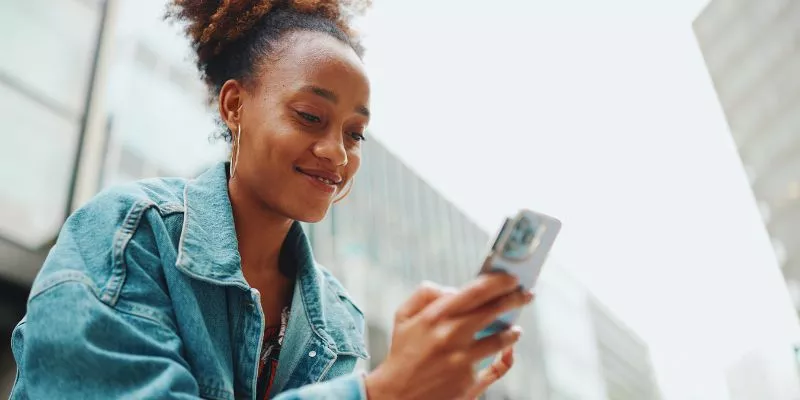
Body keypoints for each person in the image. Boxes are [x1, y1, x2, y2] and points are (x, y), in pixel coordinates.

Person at [9, 1, 533, 398]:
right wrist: (380, 391)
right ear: (235, 104)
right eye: (310, 116)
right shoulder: (129, 234)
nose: (336, 153)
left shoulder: (339, 322)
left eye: (355, 135)